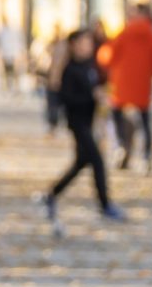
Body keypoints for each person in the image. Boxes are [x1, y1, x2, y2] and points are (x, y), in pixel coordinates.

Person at [42, 27, 125, 226]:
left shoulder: (90, 66)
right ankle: (105, 204)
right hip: (78, 123)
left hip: (90, 121)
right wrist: (92, 97)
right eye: (83, 43)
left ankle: (52, 194)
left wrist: (102, 96)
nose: (87, 46)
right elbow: (68, 99)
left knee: (81, 163)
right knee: (97, 161)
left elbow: (98, 85)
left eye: (89, 43)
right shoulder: (70, 69)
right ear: (74, 45)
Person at [106, 3, 152, 171]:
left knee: (117, 116)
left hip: (121, 86)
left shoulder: (123, 34)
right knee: (146, 122)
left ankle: (121, 146)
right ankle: (146, 156)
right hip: (143, 87)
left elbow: (107, 57)